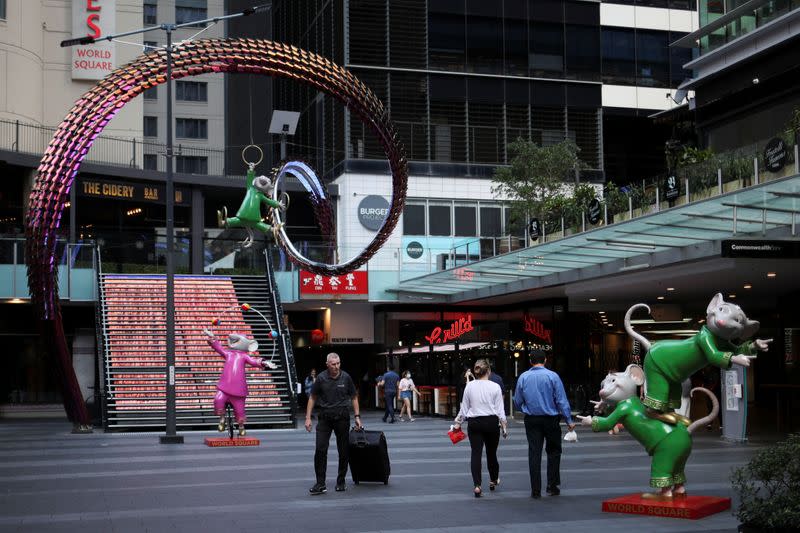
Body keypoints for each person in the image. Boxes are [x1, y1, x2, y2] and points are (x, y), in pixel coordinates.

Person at [514, 349, 575, 499]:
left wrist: (524, 408)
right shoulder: (552, 376)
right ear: (545, 360)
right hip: (551, 419)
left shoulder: (523, 377)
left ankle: (535, 490)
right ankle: (552, 486)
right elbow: (561, 400)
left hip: (532, 419)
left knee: (534, 453)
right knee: (554, 452)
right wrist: (568, 419)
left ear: (530, 361)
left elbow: (517, 401)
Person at [305, 353, 362, 495]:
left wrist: (357, 416)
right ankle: (320, 483)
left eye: (338, 363)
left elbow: (354, 397)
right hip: (324, 418)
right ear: (327, 364)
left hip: (342, 418)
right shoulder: (321, 378)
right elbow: (312, 397)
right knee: (320, 449)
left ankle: (341, 481)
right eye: (333, 364)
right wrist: (307, 418)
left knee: (343, 451)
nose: (336, 366)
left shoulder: (346, 377)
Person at [453, 359, 508, 497]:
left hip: (474, 423)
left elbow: (464, 408)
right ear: (488, 371)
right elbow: (500, 409)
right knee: (491, 453)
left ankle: (477, 485)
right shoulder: (495, 386)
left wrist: (458, 423)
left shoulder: (469, 386)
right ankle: (493, 480)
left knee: (476, 453)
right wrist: (504, 426)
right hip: (491, 422)